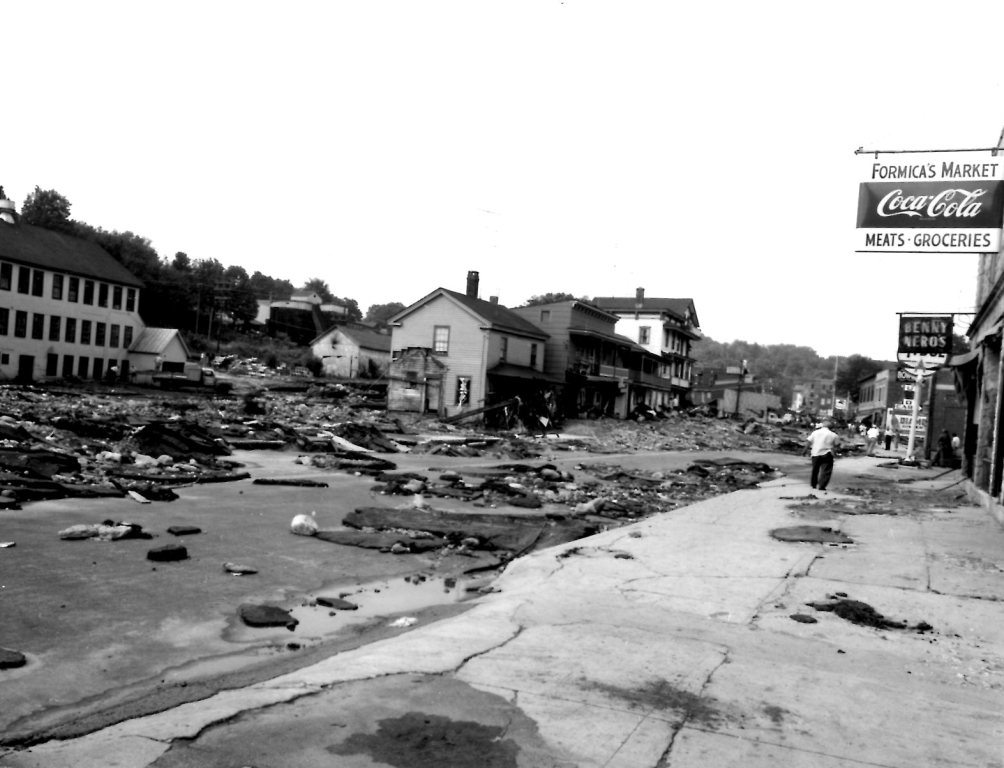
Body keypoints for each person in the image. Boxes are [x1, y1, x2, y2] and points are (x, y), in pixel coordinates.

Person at [807, 419, 840, 491]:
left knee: (815, 470)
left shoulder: (815, 432)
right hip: (827, 454)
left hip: (815, 453)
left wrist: (804, 451)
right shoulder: (833, 435)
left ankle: (813, 485)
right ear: (831, 427)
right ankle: (822, 486)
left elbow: (809, 442)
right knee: (826, 471)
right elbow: (837, 445)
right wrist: (836, 451)